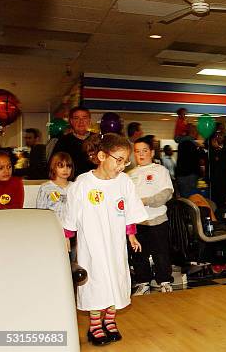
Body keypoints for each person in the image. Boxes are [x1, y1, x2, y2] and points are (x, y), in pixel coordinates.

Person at [62, 133, 147, 346]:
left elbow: (130, 210)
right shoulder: (82, 183)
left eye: (126, 161)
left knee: (115, 281)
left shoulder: (124, 182)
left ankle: (110, 321)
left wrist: (131, 234)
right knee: (96, 284)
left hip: (115, 245)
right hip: (92, 246)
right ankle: (95, 326)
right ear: (101, 156)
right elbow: (70, 215)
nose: (122, 166)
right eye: (118, 160)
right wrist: (66, 238)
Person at [128, 135, 175, 295]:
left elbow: (167, 193)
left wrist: (145, 201)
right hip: (137, 222)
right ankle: (143, 282)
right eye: (137, 151)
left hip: (157, 220)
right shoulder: (129, 175)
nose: (141, 154)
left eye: (144, 151)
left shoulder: (160, 170)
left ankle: (165, 281)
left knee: (160, 253)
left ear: (152, 152)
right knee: (139, 254)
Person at [36, 152, 74, 257]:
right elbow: (40, 212)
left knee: (70, 262)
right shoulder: (45, 187)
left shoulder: (75, 187)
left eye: (68, 166)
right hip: (52, 231)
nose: (65, 169)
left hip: (72, 232)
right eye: (61, 166)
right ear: (53, 168)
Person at [52, 106, 96, 178]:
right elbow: (55, 165)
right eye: (76, 118)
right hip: (70, 184)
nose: (81, 121)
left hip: (94, 184)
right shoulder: (63, 141)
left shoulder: (97, 140)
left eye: (84, 118)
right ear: (71, 121)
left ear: (89, 120)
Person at [175, 124, 203, 197]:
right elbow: (195, 160)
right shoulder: (192, 145)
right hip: (190, 175)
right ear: (193, 132)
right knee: (191, 197)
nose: (197, 134)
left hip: (181, 174)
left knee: (184, 197)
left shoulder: (181, 143)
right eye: (196, 132)